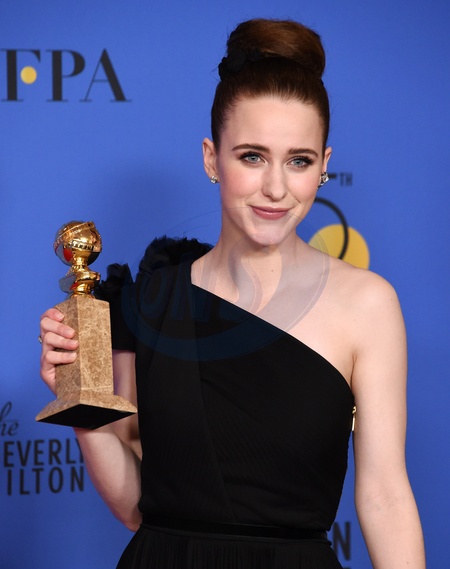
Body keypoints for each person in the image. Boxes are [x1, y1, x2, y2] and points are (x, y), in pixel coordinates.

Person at [39, 18, 425, 569]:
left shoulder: (368, 305)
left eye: (298, 161)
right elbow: (134, 509)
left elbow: (385, 497)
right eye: (252, 156)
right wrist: (79, 403)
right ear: (211, 158)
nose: (276, 188)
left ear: (324, 167)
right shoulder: (150, 302)